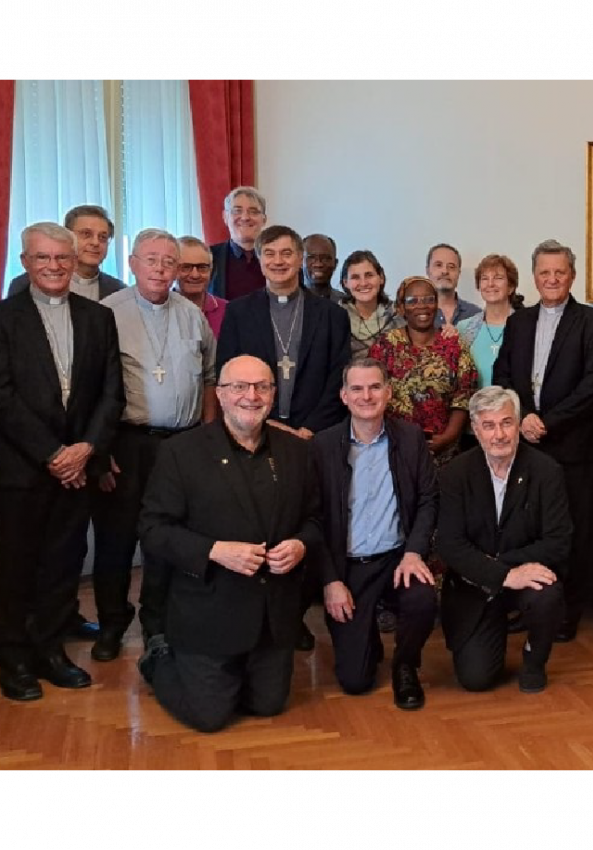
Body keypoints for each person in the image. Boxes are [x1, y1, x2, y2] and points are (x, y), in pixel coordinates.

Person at [137, 356, 323, 733]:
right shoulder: (181, 452)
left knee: (268, 705)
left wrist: (301, 545)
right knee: (210, 717)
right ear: (220, 394)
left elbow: (316, 520)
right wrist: (214, 551)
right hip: (209, 609)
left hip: (271, 614)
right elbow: (153, 529)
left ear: (273, 394)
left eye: (261, 387)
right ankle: (158, 656)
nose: (250, 396)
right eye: (239, 387)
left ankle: (233, 673)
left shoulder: (297, 451)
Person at [0, 222, 124, 702]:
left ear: (75, 261)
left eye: (62, 257)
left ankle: (50, 651)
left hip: (78, 469)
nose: (54, 266)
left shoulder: (98, 317)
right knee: (17, 569)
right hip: (24, 469)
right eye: (42, 257)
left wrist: (86, 449)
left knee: (64, 565)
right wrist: (52, 453)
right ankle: (15, 661)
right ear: (25, 262)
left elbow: (111, 392)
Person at [91, 229, 217, 661]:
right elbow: (93, 388)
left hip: (181, 445)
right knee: (117, 539)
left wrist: (206, 439)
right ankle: (111, 624)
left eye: (169, 262)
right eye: (152, 260)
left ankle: (158, 623)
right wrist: (101, 451)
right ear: (132, 263)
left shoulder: (192, 315)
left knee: (167, 539)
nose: (161, 269)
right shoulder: (107, 312)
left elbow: (210, 378)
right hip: (126, 443)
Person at [493, 239, 593, 642]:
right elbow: (503, 375)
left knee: (570, 531)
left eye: (560, 272)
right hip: (526, 445)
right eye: (545, 272)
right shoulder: (519, 322)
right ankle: (530, 606)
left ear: (572, 276)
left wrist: (547, 422)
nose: (552, 278)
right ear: (534, 276)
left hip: (573, 446)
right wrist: (524, 417)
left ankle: (565, 613)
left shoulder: (592, 322)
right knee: (527, 530)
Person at [312, 358, 439, 710]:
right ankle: (365, 636)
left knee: (423, 598)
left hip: (398, 559)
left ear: (388, 392)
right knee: (355, 681)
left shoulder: (411, 438)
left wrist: (414, 552)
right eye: (357, 388)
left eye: (374, 387)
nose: (366, 396)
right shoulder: (322, 446)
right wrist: (330, 580)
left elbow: (428, 498)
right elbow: (312, 519)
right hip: (349, 567)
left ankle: (405, 665)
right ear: (343, 395)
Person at [437, 386, 572, 693]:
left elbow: (558, 541)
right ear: (475, 430)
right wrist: (502, 575)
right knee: (476, 680)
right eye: (489, 425)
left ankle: (534, 659)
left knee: (546, 593)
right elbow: (450, 544)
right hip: (476, 584)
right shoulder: (456, 473)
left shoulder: (546, 471)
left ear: (518, 424)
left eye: (506, 423)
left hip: (525, 578)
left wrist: (506, 567)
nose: (499, 435)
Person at [214, 225, 351, 441]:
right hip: (255, 431)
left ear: (300, 259)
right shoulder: (238, 312)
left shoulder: (333, 315)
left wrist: (310, 429)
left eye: (286, 253)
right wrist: (266, 423)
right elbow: (227, 374)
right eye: (269, 253)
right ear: (260, 259)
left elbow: (340, 377)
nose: (278, 261)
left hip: (319, 435)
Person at [369, 276, 478, 465]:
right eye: (413, 301)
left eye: (429, 299)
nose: (422, 306)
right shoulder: (385, 346)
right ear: (401, 308)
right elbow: (372, 392)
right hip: (394, 449)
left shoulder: (454, 345)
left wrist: (447, 438)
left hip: (445, 453)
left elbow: (463, 396)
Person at [6, 204, 126, 301]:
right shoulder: (25, 284)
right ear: (67, 237)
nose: (95, 242)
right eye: (86, 234)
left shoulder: (118, 290)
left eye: (103, 237)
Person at [456, 254, 523, 389]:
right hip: (474, 401)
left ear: (511, 287)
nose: (490, 284)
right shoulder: (464, 328)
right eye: (485, 278)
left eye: (498, 278)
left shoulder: (525, 327)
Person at [339, 249, 405, 357]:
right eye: (355, 277)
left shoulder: (399, 315)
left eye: (369, 275)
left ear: (381, 278)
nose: (363, 283)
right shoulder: (336, 318)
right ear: (345, 282)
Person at [207, 187, 269, 301]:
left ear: (264, 219)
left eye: (253, 211)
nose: (245, 217)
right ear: (225, 217)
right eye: (237, 211)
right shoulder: (208, 257)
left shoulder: (276, 258)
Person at [174, 235, 227, 337]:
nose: (195, 275)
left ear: (211, 270)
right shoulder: (156, 310)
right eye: (186, 267)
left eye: (202, 267)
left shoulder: (228, 311)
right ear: (172, 269)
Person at [426, 243, 481, 330]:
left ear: (459, 273)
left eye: (451, 267)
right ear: (428, 270)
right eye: (438, 265)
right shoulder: (414, 313)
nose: (445, 271)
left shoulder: (476, 315)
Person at [302, 233, 341, 299]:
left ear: (335, 263)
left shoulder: (346, 303)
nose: (318, 264)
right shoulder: (288, 302)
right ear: (300, 262)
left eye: (325, 258)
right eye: (311, 257)